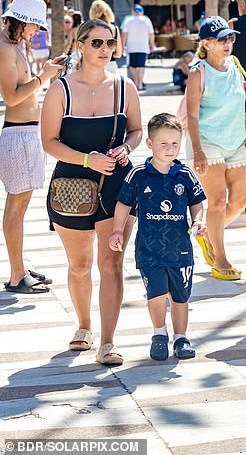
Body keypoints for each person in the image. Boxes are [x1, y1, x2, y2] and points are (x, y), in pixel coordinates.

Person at [41, 19, 143, 365]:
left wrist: (127, 149)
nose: (104, 49)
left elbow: (136, 130)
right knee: (80, 265)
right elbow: (49, 143)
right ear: (80, 44)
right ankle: (84, 326)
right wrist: (88, 160)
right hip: (71, 185)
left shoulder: (124, 86)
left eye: (110, 43)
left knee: (112, 263)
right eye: (97, 42)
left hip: (117, 185)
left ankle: (109, 341)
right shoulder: (61, 90)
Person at [109, 113, 207, 361]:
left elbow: (197, 203)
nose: (170, 149)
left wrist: (198, 221)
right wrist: (118, 230)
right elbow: (123, 203)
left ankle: (181, 337)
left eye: (175, 143)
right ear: (150, 144)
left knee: (180, 296)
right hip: (149, 250)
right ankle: (159, 334)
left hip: (180, 250)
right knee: (155, 294)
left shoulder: (185, 175)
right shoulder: (139, 175)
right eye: (163, 143)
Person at [1, 0, 66, 295]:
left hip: (25, 132)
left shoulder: (15, 46)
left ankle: (21, 268)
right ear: (23, 22)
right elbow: (12, 97)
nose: (37, 32)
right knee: (16, 205)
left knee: (21, 204)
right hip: (16, 134)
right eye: (36, 26)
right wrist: (44, 76)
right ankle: (16, 275)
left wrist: (45, 72)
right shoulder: (4, 48)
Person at [184, 16, 246, 281]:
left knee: (242, 200)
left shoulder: (234, 64)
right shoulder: (198, 72)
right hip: (207, 141)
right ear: (207, 43)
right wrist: (197, 150)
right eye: (221, 39)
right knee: (218, 201)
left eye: (230, 38)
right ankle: (219, 257)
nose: (227, 43)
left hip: (235, 140)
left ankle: (208, 235)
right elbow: (191, 115)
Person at [121, 4, 155, 91]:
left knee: (133, 66)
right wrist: (152, 44)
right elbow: (151, 34)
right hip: (143, 47)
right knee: (141, 66)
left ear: (133, 11)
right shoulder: (146, 20)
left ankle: (135, 84)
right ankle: (140, 84)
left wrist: (122, 46)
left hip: (131, 47)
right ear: (142, 12)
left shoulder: (128, 20)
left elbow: (124, 35)